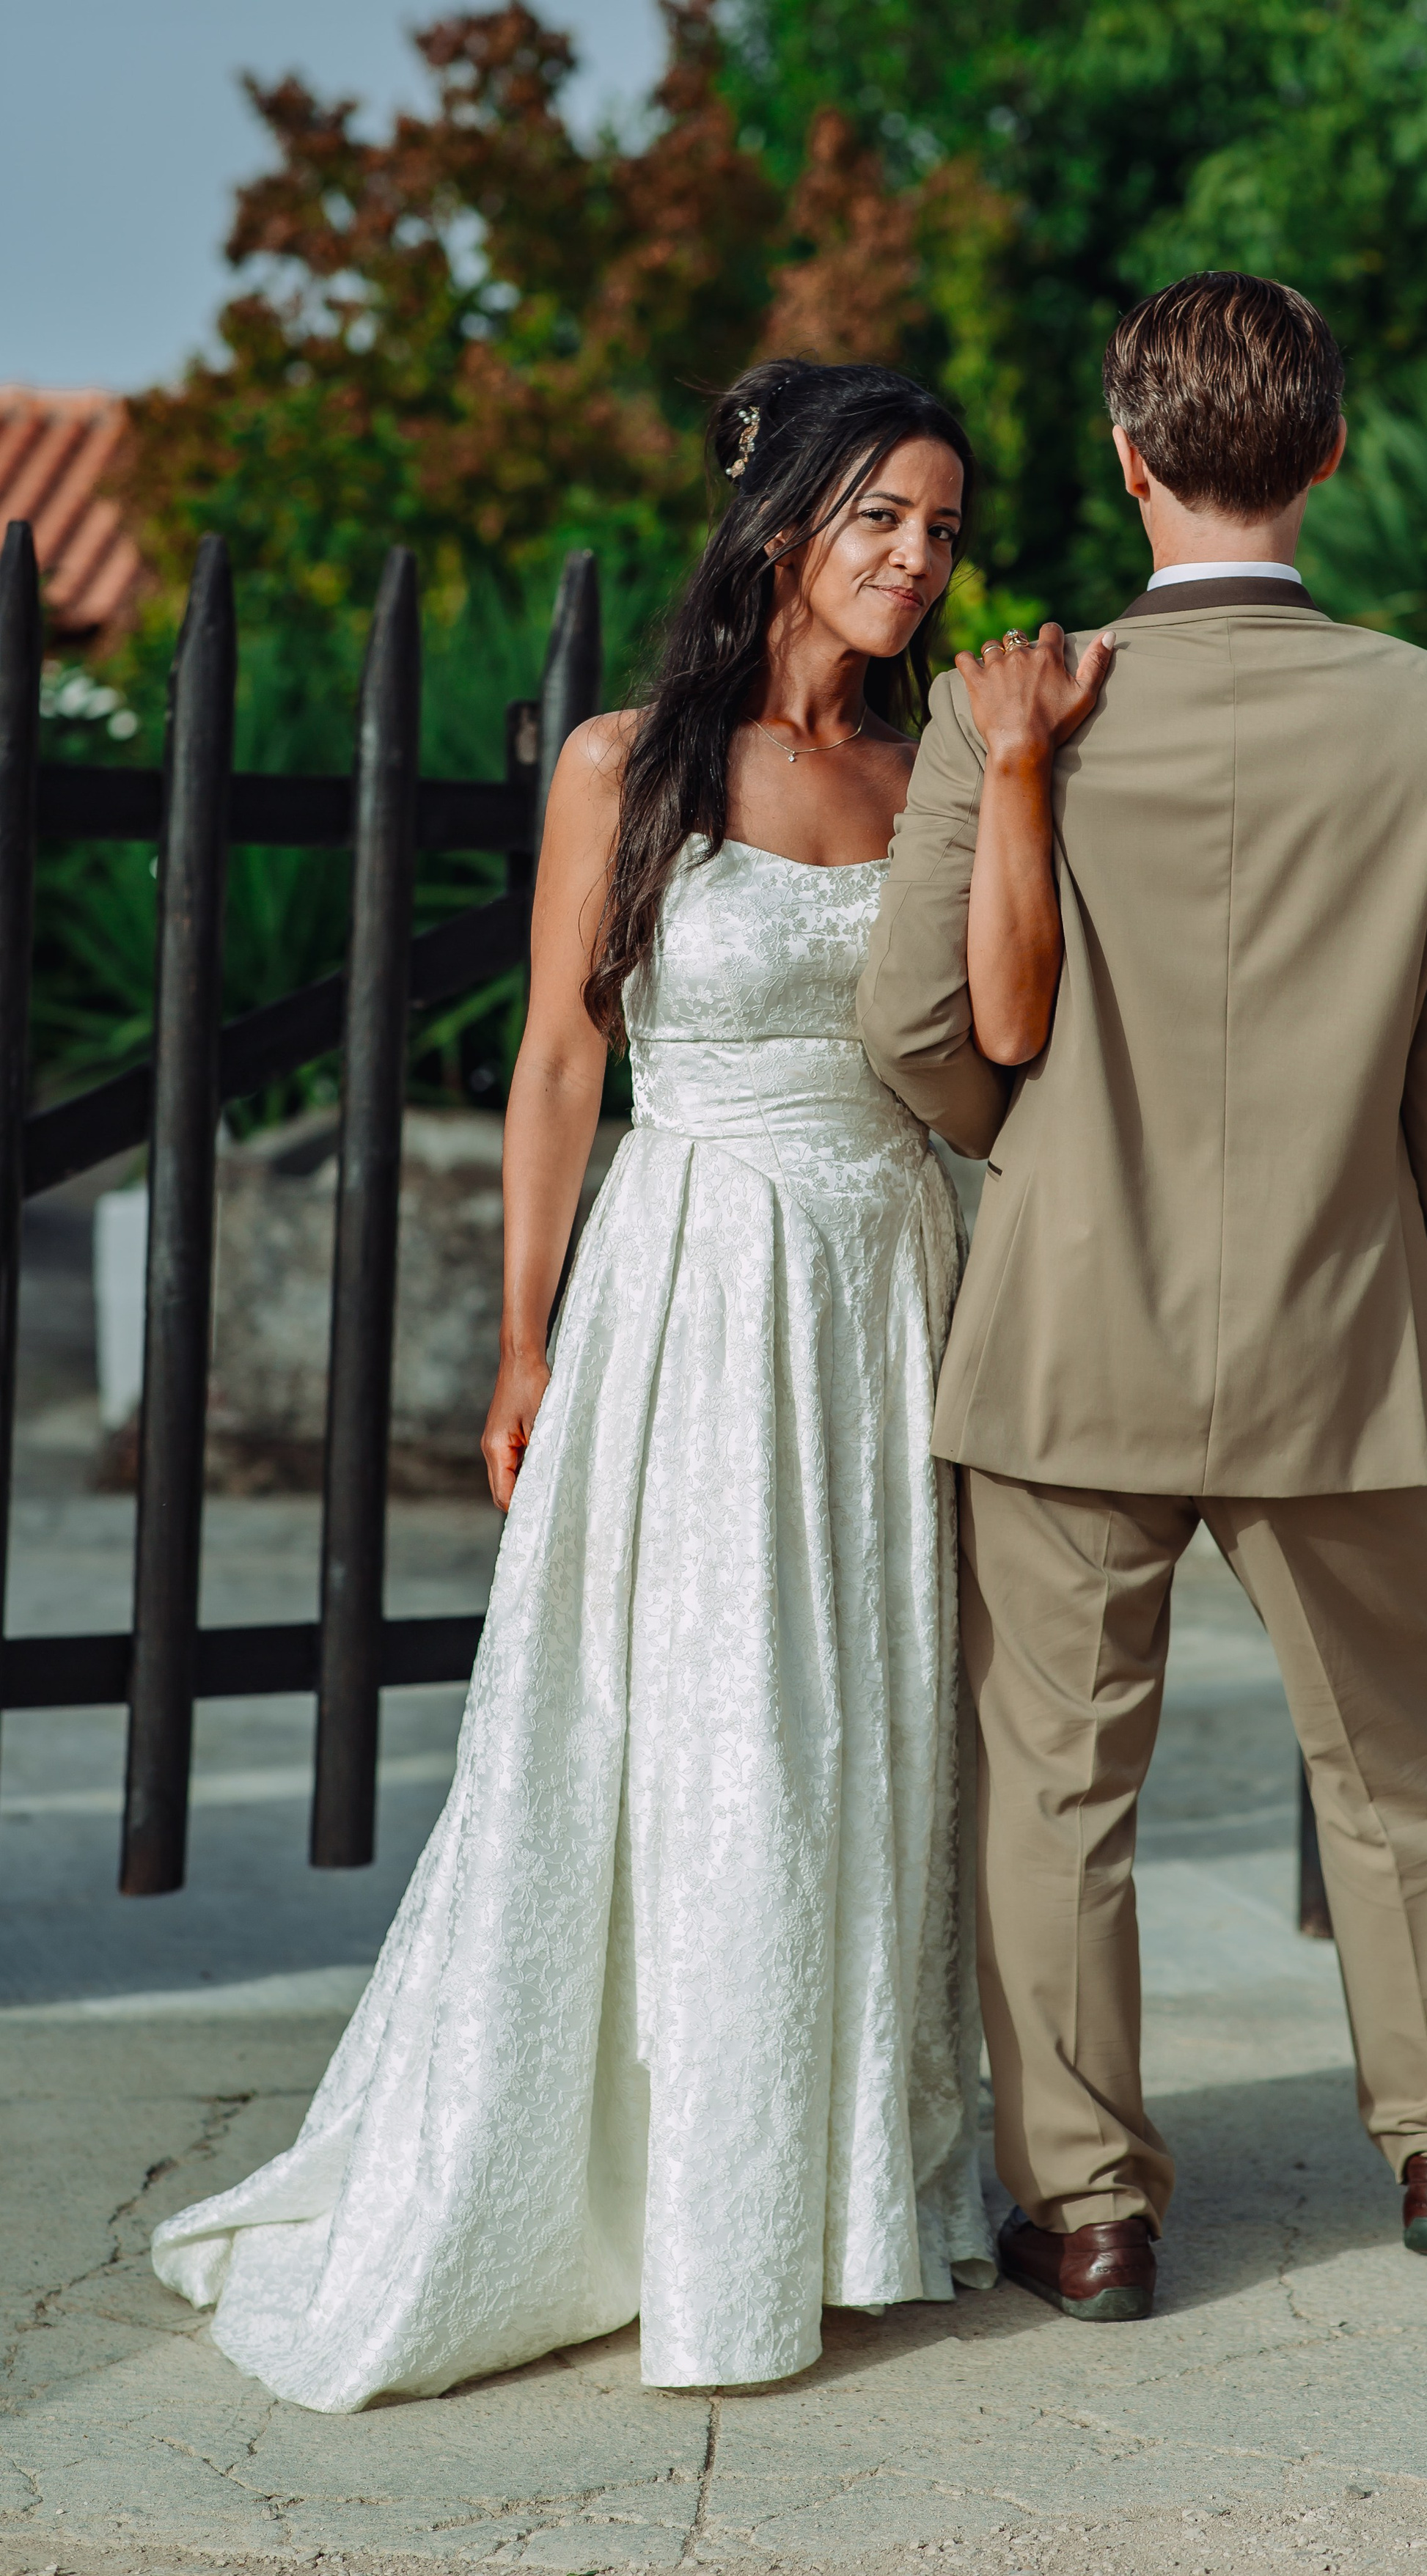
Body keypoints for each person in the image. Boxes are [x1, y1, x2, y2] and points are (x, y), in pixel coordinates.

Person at [151, 359, 1104, 2403]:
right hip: (689, 1276)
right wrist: (523, 1328)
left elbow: (1005, 1041)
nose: (920, 559)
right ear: (789, 524)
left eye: (944, 527)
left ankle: (852, 2182)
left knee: (872, 1717)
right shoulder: (624, 759)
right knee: (707, 1718)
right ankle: (694, 2195)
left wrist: (1017, 780)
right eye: (885, 517)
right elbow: (562, 1061)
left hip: (885, 1281)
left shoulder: (940, 750)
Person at [859, 271, 1427, 2329]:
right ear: (1329, 453)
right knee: (1399, 1763)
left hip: (1068, 1331)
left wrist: (1042, 1130)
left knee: (1059, 1789)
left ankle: (1088, 2209)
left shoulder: (1017, 700)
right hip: (1341, 1324)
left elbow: (913, 1030)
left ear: (1127, 453)